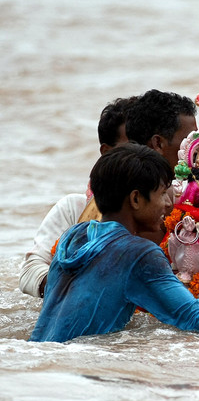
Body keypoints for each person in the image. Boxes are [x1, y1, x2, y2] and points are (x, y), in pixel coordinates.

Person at [30, 143, 199, 343]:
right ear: (135, 199)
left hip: (40, 354)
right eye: (161, 194)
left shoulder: (72, 235)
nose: (168, 204)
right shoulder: (140, 254)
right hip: (78, 363)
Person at [19, 96, 137, 298]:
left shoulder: (169, 208)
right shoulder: (73, 208)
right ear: (106, 152)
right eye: (133, 146)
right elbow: (30, 272)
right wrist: (77, 287)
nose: (143, 156)